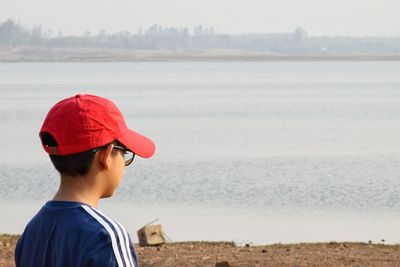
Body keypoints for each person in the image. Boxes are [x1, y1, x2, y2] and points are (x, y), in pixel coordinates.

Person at [15, 94, 155, 267]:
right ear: (105, 155)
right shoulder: (106, 236)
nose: (124, 163)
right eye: (124, 152)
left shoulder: (31, 232)